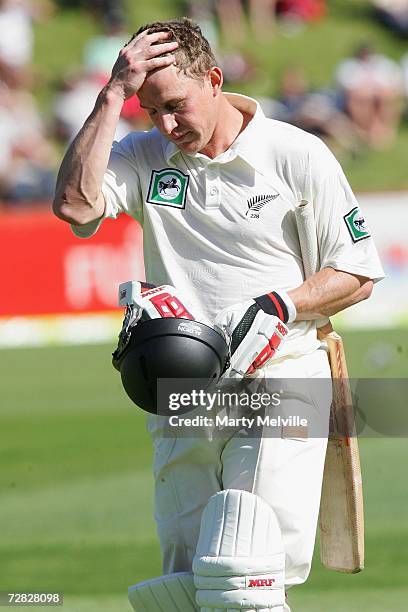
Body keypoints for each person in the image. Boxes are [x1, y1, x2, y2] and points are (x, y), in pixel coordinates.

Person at [52, 18, 384, 611]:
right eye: (151, 111)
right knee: (187, 586)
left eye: (176, 105)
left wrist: (282, 304)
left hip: (281, 376)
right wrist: (111, 97)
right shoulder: (143, 154)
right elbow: (77, 206)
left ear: (214, 78)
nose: (167, 125)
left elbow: (356, 274)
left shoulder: (295, 153)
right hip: (183, 391)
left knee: (242, 573)